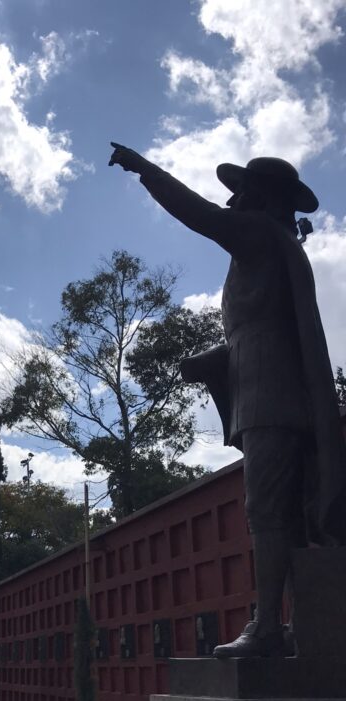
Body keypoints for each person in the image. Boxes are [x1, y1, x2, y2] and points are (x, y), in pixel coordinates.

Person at [110, 144, 346, 657]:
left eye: (241, 191)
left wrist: (145, 170)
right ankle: (294, 629)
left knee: (266, 512)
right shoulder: (275, 247)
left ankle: (266, 629)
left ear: (258, 197)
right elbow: (259, 327)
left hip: (272, 400)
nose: (233, 200)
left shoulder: (260, 233)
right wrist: (213, 359)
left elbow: (200, 216)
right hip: (274, 394)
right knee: (287, 517)